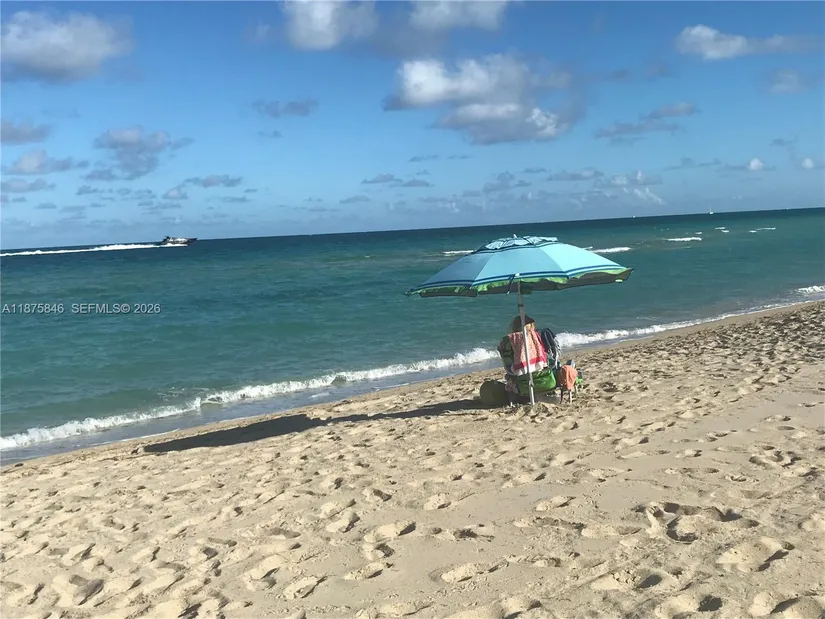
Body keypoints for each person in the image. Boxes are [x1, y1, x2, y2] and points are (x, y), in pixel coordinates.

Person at [497, 315, 557, 403]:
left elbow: (508, 368)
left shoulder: (506, 342)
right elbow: (551, 362)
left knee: (510, 375)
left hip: (521, 386)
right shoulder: (539, 336)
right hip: (548, 382)